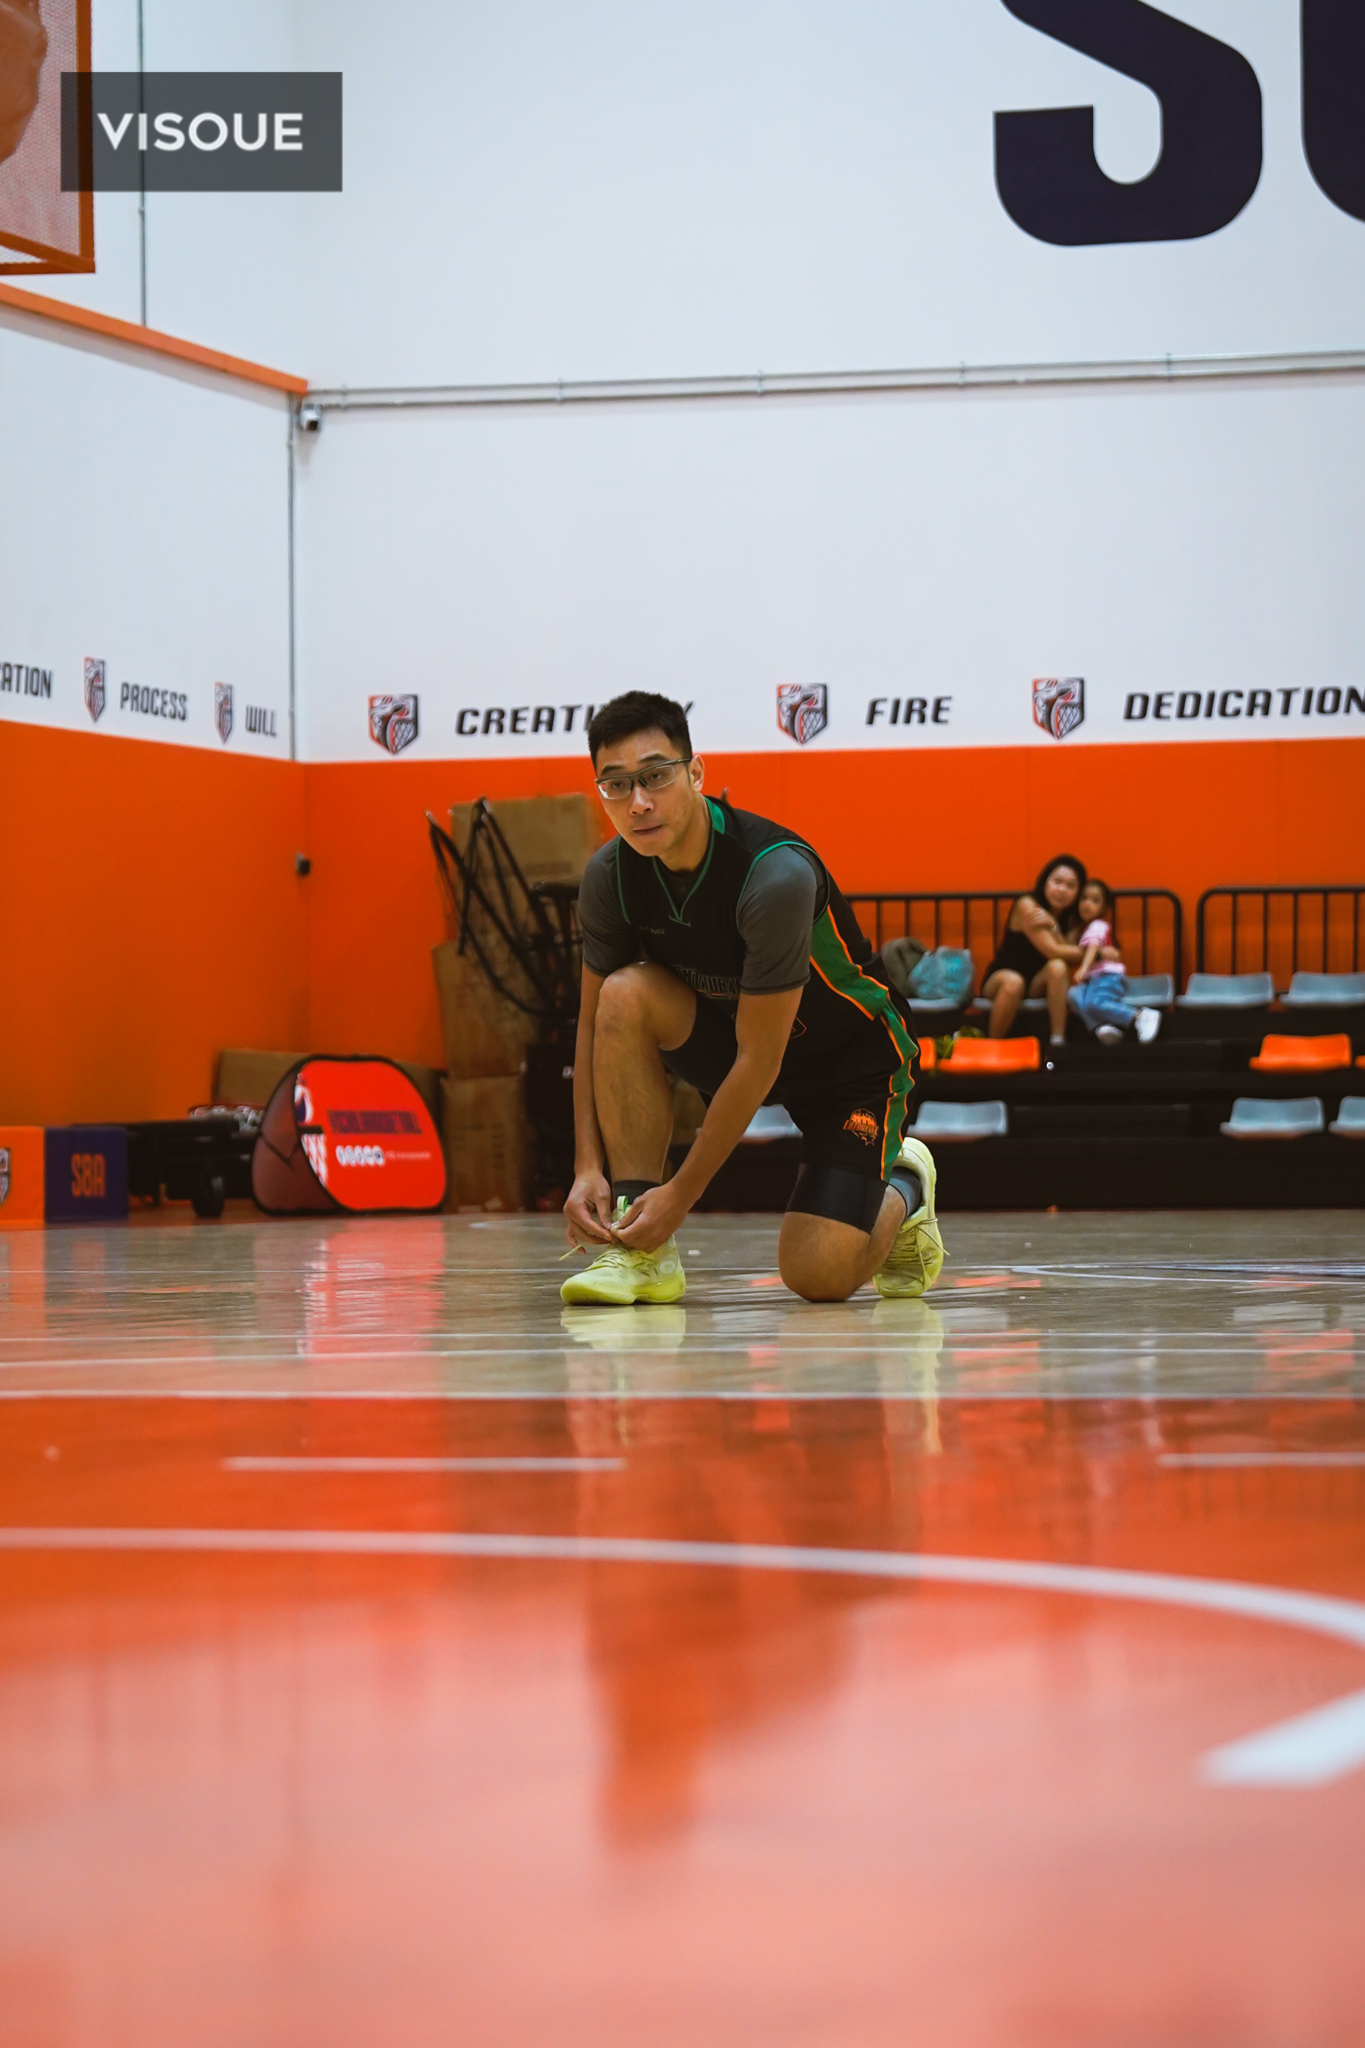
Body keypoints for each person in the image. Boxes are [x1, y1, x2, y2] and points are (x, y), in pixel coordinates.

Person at [560, 691, 944, 1307]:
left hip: (849, 1064)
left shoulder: (773, 875)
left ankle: (904, 1181)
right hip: (737, 1043)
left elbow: (760, 1059)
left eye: (655, 776)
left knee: (816, 1276)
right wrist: (587, 1166)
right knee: (622, 994)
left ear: (696, 773)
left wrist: (681, 1196)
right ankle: (641, 1251)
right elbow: (589, 1026)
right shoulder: (610, 876)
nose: (639, 802)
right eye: (616, 785)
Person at [980, 855, 1088, 1046]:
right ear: (1045, 882)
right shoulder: (1028, 905)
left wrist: (1055, 927)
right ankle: (992, 1045)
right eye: (1057, 882)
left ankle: (1058, 1041)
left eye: (1070, 886)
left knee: (1058, 966)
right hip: (1002, 977)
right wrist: (1096, 954)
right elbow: (1052, 950)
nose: (1062, 890)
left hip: (1036, 983)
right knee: (1014, 982)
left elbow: (1068, 955)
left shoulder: (1072, 918)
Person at [1067, 878, 1162, 1045]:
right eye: (1084, 899)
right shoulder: (1081, 928)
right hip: (1092, 980)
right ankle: (1103, 1026)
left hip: (1107, 977)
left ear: (1104, 908)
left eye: (1095, 900)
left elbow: (1093, 946)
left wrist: (1084, 968)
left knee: (1094, 1003)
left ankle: (1139, 1016)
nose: (1087, 904)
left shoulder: (1097, 925)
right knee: (1073, 994)